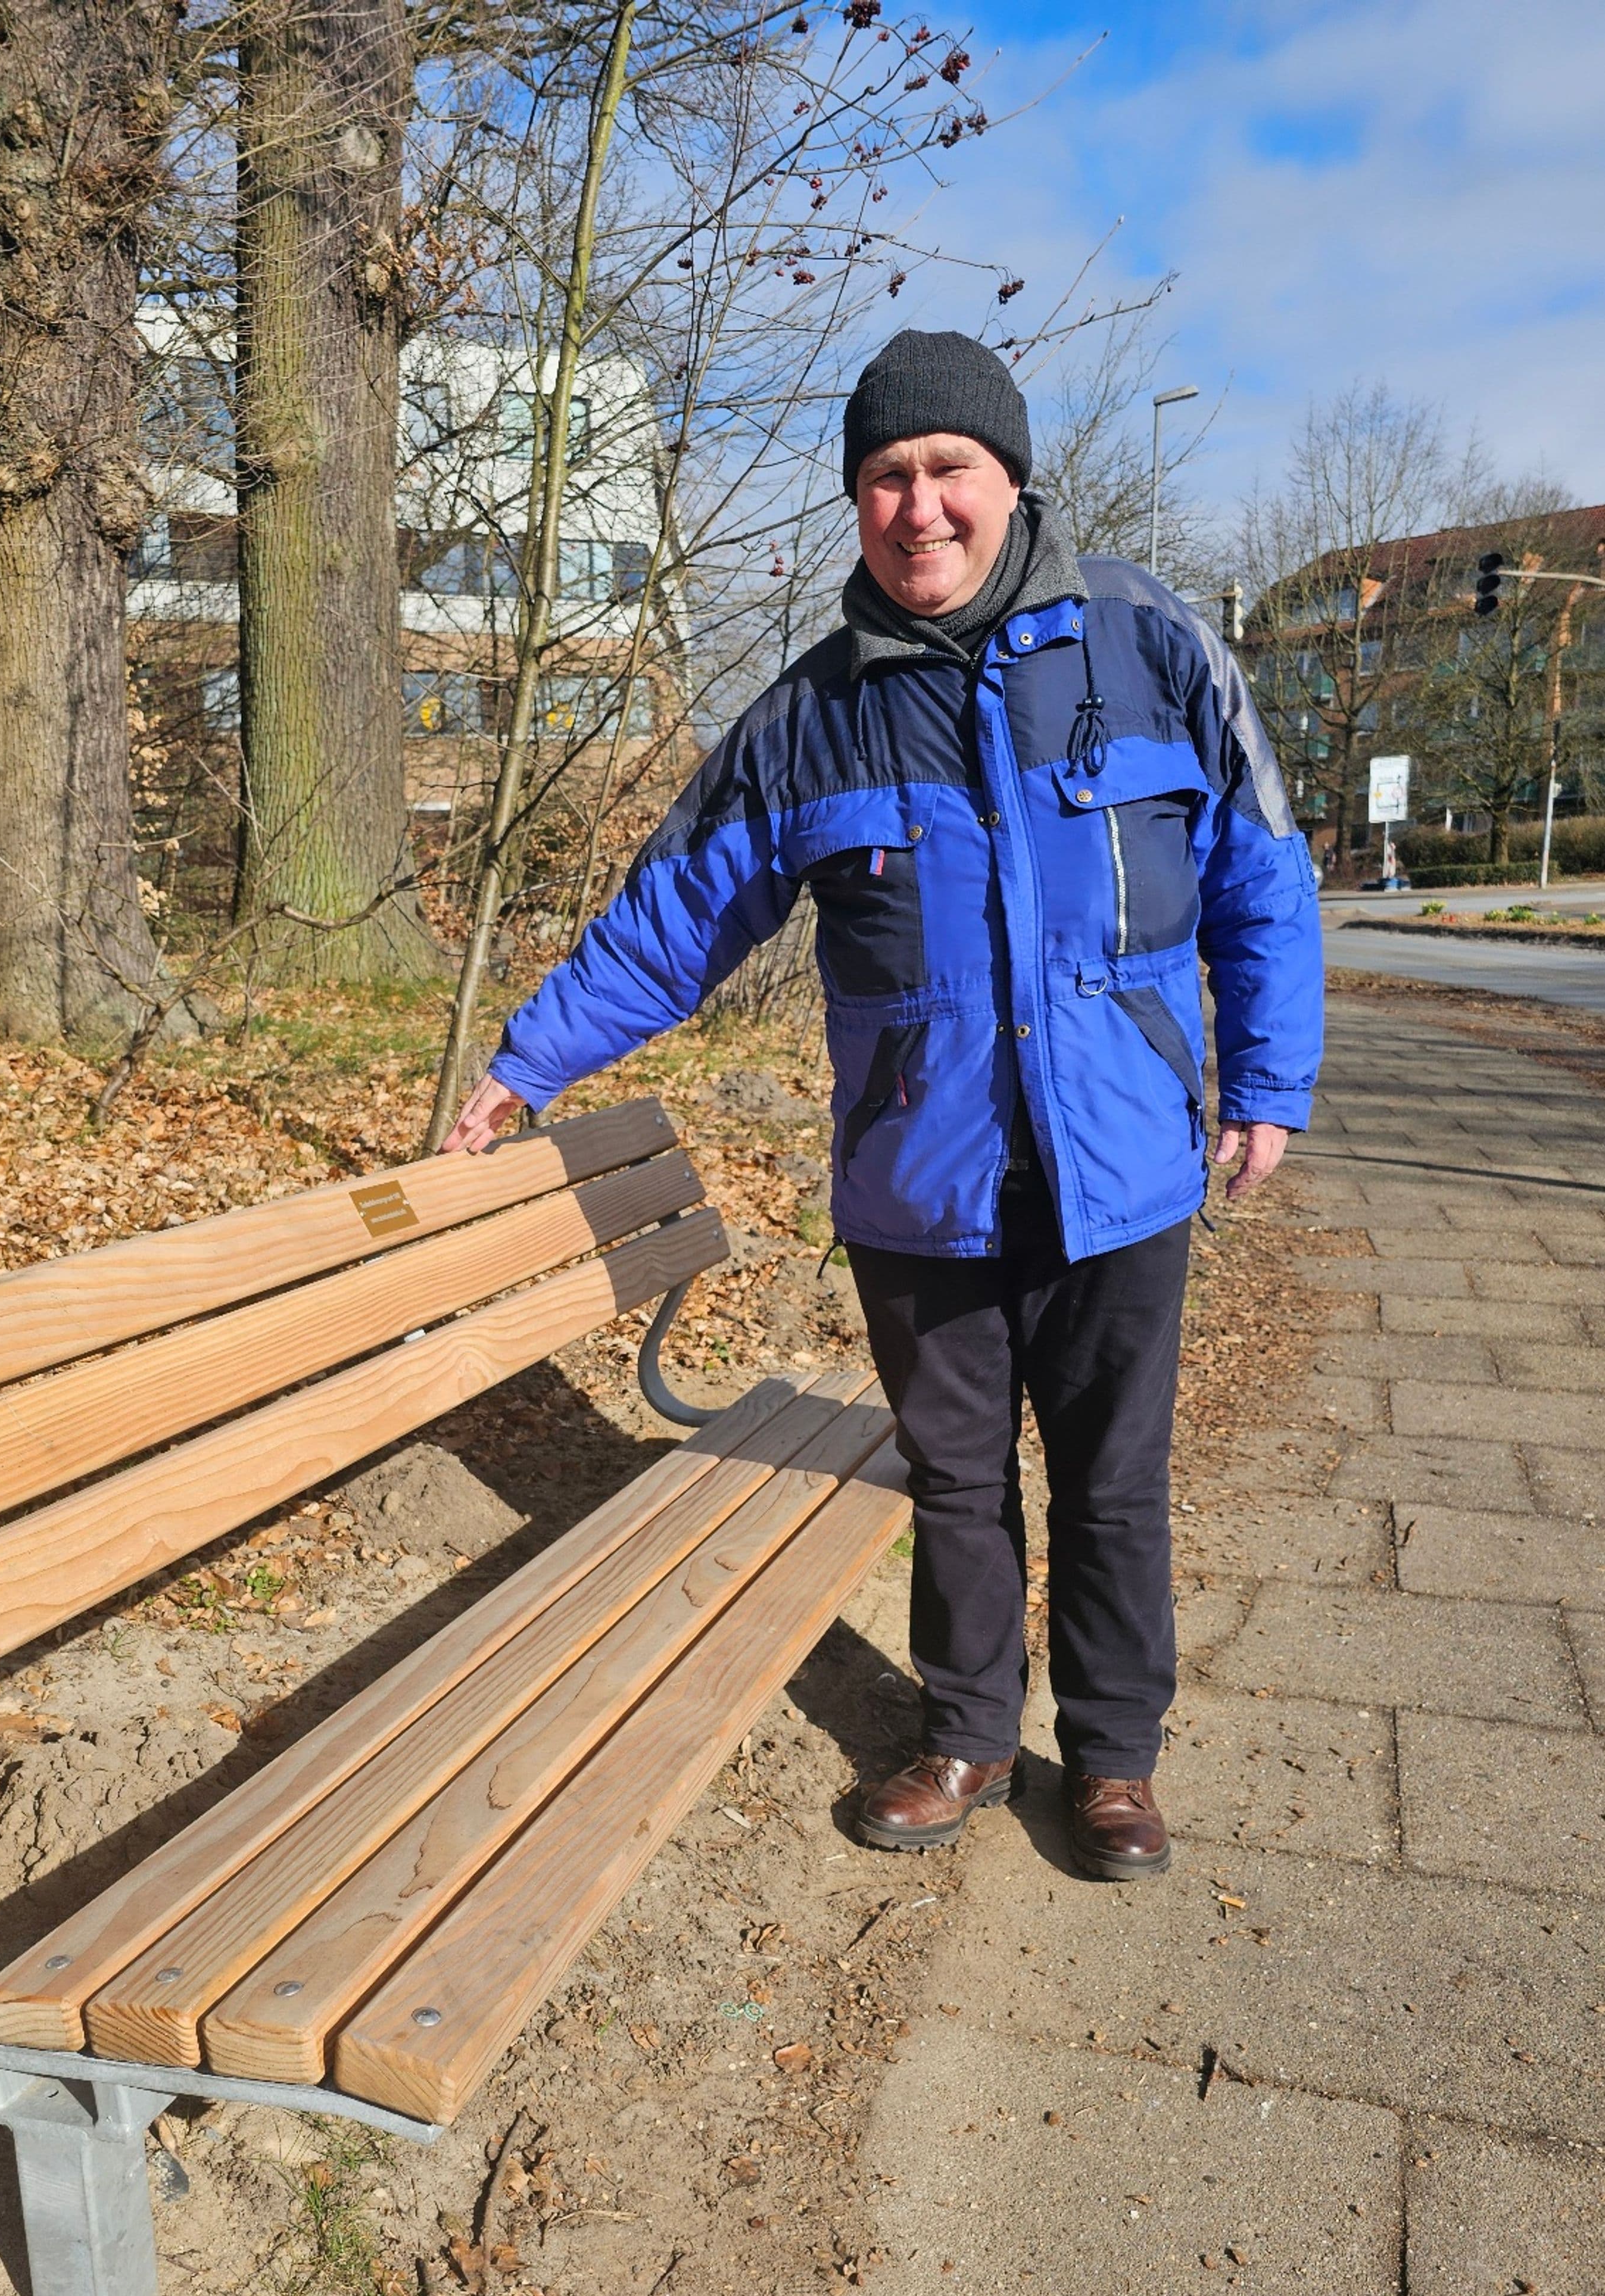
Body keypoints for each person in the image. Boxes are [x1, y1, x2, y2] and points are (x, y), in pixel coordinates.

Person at [443, 329, 1322, 1881]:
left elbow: (1258, 871)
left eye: (944, 473)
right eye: (882, 481)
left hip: (1120, 1166)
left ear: (1007, 482)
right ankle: (970, 1733)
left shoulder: (1149, 645)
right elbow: (673, 919)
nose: (917, 509)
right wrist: (526, 1064)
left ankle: (1110, 1762)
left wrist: (1264, 1078)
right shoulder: (810, 715)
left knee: (1109, 1488)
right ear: (856, 505)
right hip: (923, 1181)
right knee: (957, 1484)